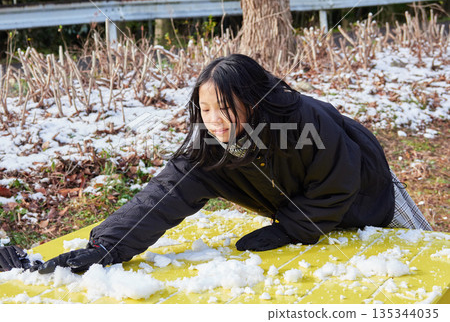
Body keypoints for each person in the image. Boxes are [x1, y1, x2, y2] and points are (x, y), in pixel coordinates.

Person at [0, 54, 431, 274]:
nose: (214, 121)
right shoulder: (208, 147)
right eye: (205, 110)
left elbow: (339, 184)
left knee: (430, 255)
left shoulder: (307, 122)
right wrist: (104, 248)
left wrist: (289, 230)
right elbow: (161, 197)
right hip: (312, 215)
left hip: (373, 194)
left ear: (254, 100)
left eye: (225, 108)